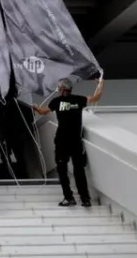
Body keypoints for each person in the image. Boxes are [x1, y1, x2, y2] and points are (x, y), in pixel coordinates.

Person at [32, 78, 104, 207]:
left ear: (62, 89)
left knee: (62, 170)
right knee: (79, 171)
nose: (58, 90)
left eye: (59, 88)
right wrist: (100, 84)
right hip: (76, 141)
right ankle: (85, 198)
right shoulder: (79, 100)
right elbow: (96, 97)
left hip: (62, 141)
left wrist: (36, 107)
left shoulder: (56, 101)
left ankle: (69, 198)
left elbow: (43, 112)